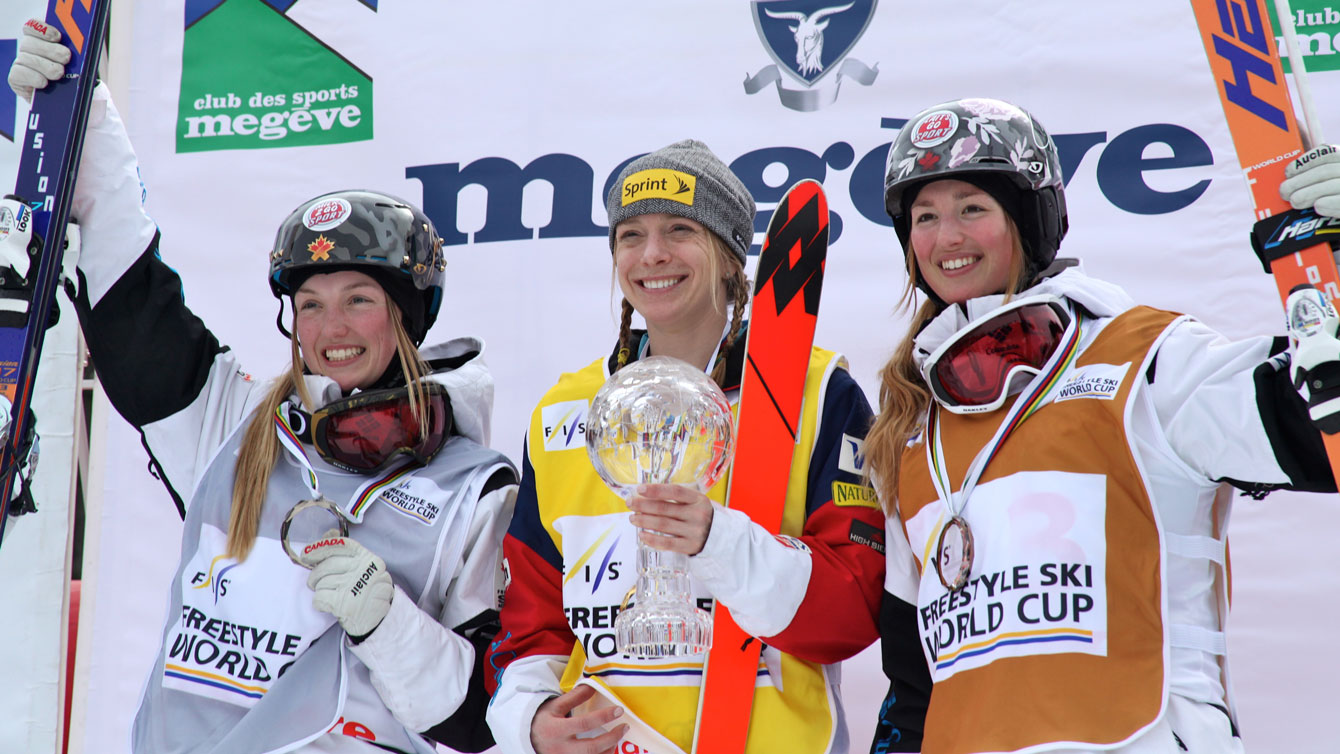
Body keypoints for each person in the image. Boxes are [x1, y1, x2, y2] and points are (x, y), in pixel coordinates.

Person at [9, 20, 516, 754]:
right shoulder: (237, 425)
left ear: (406, 317)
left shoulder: (473, 485)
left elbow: (480, 718)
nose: (331, 326)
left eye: (359, 300)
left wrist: (387, 622)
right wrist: (71, 111)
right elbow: (129, 284)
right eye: (310, 303)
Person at [862, 97, 1339, 754]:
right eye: (925, 217)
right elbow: (915, 691)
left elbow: (1318, 428)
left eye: (972, 208)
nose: (947, 237)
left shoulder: (1146, 359)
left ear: (1030, 220)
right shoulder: (911, 429)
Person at [484, 140, 920, 754]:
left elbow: (853, 607)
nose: (652, 254)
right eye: (630, 235)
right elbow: (531, 623)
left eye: (680, 229)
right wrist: (531, 719)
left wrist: (720, 541)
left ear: (727, 255)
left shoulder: (818, 393)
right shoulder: (564, 411)